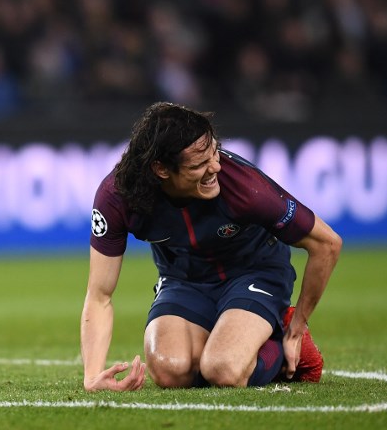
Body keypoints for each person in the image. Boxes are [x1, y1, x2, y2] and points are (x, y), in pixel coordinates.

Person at [81, 102, 342, 391]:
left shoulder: (244, 187)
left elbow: (327, 243)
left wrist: (297, 329)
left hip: (255, 273)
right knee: (170, 371)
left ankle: (276, 341)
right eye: (199, 164)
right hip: (183, 280)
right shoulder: (118, 196)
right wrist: (92, 377)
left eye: (214, 152)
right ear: (161, 169)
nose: (216, 167)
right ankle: (231, 340)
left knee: (223, 370)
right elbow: (100, 293)